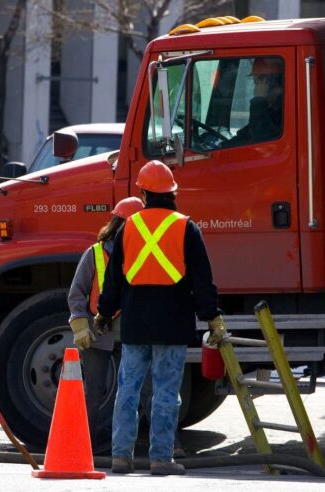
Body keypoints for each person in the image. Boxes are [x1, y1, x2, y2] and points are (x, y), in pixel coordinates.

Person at [95, 160, 227, 476]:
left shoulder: (129, 228)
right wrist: (212, 317)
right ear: (172, 193)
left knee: (127, 390)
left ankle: (121, 457)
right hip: (173, 323)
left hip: (136, 324)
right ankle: (161, 459)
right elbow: (202, 279)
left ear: (143, 193)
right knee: (166, 391)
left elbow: (114, 279)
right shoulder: (186, 227)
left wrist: (103, 312)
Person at [67, 196, 144, 449]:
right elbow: (77, 292)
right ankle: (84, 446)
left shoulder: (145, 253)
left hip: (131, 333)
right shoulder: (95, 253)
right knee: (93, 393)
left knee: (137, 392)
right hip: (97, 333)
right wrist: (79, 325)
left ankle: (123, 446)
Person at [225, 57, 284, 147]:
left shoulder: (283, 111)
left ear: (265, 83)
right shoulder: (271, 109)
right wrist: (223, 146)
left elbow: (261, 141)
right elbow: (246, 135)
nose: (255, 89)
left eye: (256, 83)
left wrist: (259, 100)